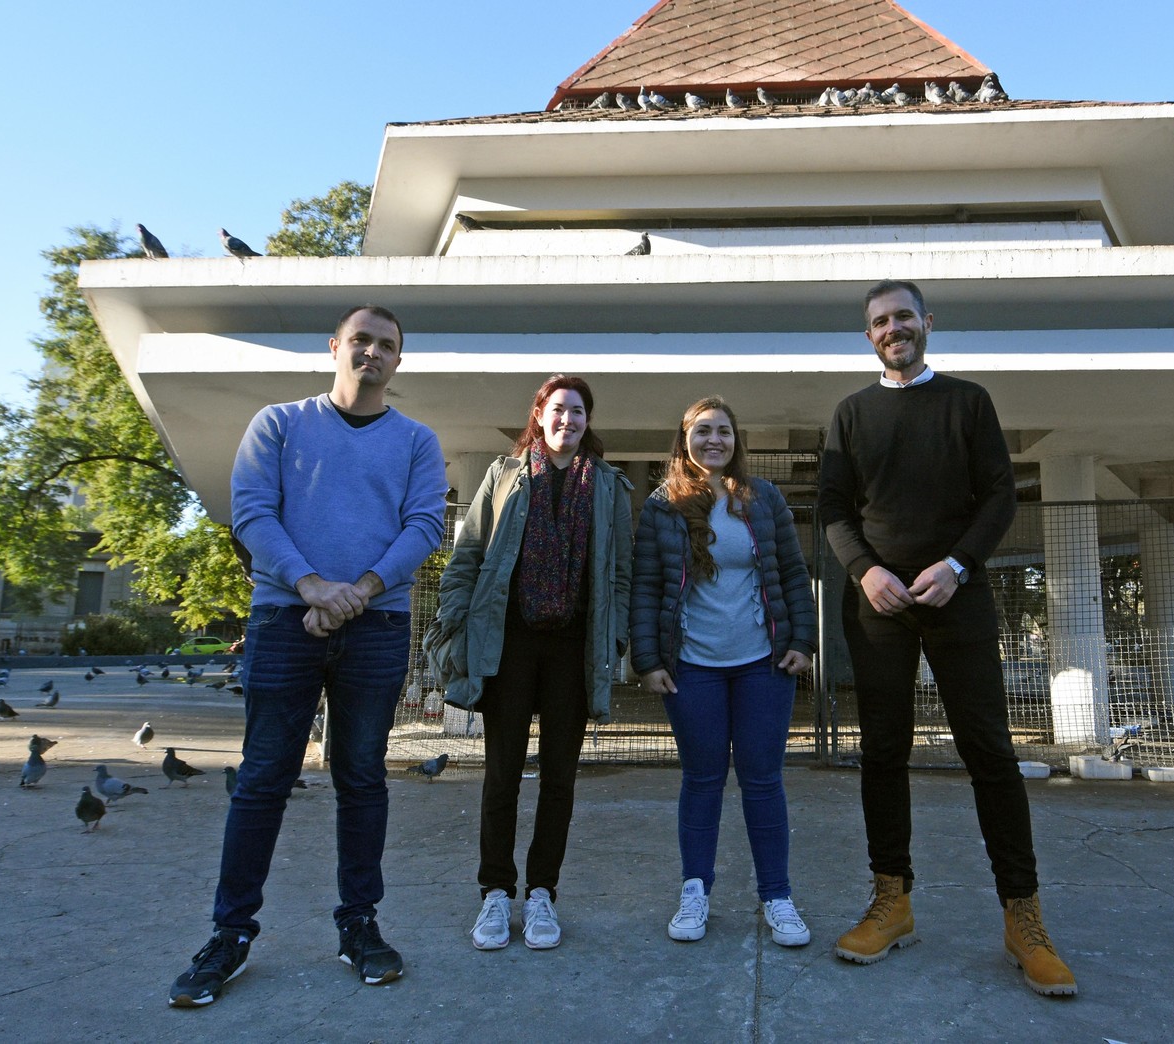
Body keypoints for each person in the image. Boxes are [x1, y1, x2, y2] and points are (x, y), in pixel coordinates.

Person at [169, 305, 447, 1007]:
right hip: (283, 621)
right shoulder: (278, 424)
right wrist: (312, 587)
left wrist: (358, 592)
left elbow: (425, 526)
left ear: (399, 361)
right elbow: (253, 513)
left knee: (362, 777)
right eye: (361, 340)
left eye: (386, 345)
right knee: (264, 777)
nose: (372, 353)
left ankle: (359, 925)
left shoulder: (417, 441)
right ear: (334, 347)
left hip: (377, 625)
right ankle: (229, 935)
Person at [817, 280, 1077, 996]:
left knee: (989, 752)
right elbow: (833, 508)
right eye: (879, 321)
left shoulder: (968, 402)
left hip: (957, 598)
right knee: (882, 752)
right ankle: (891, 902)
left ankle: (1022, 918)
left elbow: (999, 495)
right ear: (868, 336)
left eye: (903, 316)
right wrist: (865, 571)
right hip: (878, 606)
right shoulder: (850, 414)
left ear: (926, 323)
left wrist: (958, 565)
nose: (892, 329)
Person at [426, 375, 632, 951]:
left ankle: (542, 893)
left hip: (574, 647)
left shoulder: (609, 486)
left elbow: (621, 572)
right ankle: (495, 892)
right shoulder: (504, 474)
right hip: (508, 643)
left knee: (560, 780)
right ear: (539, 415)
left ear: (588, 421)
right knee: (502, 776)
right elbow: (468, 555)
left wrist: (614, 639)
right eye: (558, 409)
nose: (568, 419)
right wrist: (456, 623)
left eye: (578, 411)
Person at [630, 397, 818, 946]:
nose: (714, 440)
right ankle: (695, 892)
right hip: (692, 668)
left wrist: (803, 640)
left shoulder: (764, 498)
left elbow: (792, 571)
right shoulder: (663, 504)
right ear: (684, 439)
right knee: (702, 780)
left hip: (764, 664)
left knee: (763, 780)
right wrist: (648, 660)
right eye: (703, 431)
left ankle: (777, 897)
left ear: (737, 441)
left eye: (724, 431)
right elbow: (646, 586)